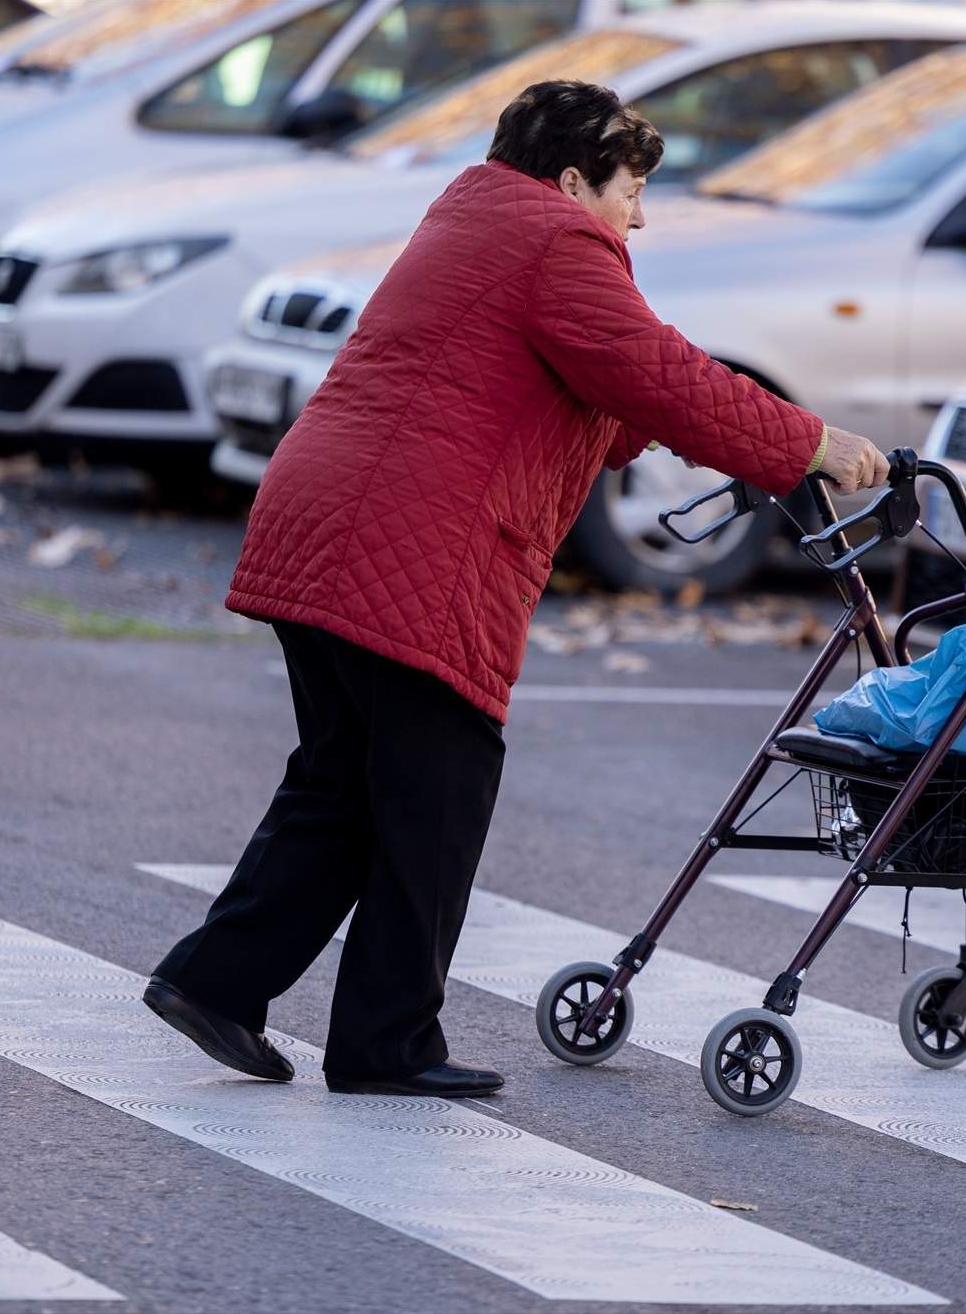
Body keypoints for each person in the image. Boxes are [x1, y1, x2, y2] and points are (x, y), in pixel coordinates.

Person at [144, 81, 888, 1099]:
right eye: (630, 190)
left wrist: (705, 419)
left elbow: (616, 393)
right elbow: (656, 376)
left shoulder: (474, 218)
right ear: (574, 176)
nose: (641, 215)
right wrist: (811, 442)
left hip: (324, 512)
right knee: (437, 789)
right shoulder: (554, 240)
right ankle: (385, 1041)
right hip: (416, 537)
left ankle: (215, 983)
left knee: (345, 781)